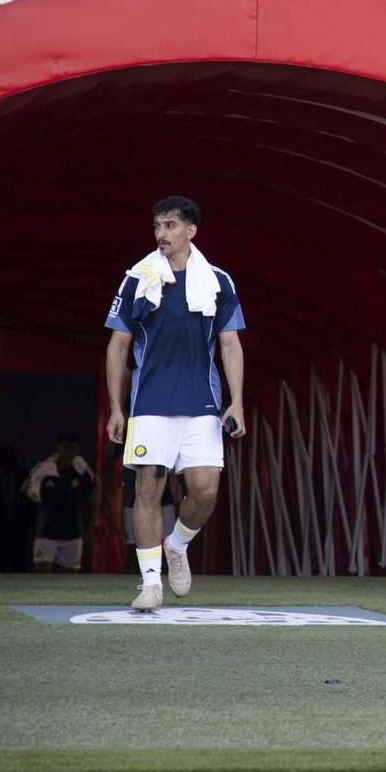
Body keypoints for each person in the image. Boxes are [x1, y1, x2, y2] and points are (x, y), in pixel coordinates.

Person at [106, 196, 246, 612]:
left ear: (191, 231)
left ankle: (178, 545)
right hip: (150, 401)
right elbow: (118, 344)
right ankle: (151, 583)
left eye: (170, 225)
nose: (161, 234)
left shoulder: (217, 281)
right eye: (157, 226)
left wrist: (237, 401)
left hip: (202, 400)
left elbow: (230, 343)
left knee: (205, 490)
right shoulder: (138, 278)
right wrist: (116, 407)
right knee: (148, 487)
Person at [23, 433, 96, 574]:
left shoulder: (83, 472)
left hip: (72, 534)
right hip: (45, 533)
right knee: (41, 576)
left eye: (72, 449)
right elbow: (26, 496)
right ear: (58, 447)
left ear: (78, 450)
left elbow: (92, 500)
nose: (68, 453)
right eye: (65, 448)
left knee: (68, 580)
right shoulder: (42, 470)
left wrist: (90, 529)